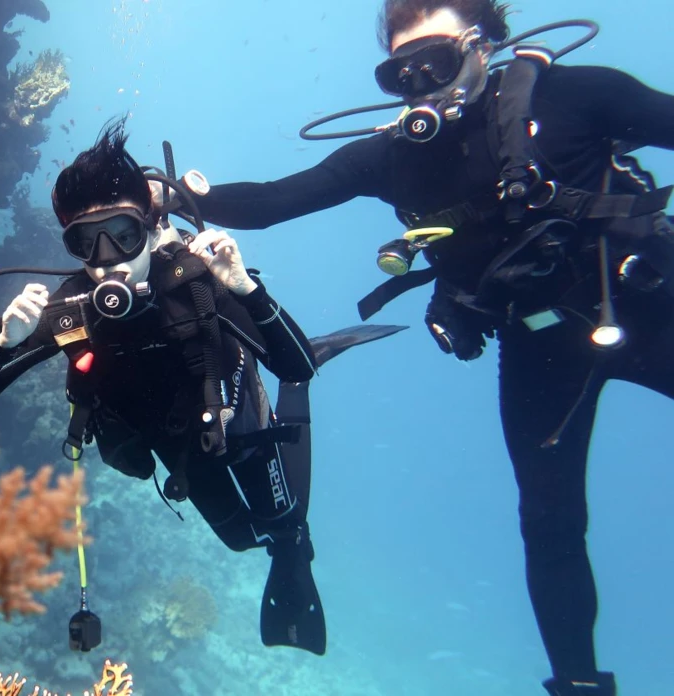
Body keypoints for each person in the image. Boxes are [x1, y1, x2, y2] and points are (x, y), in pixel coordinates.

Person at [181, 1, 674, 693]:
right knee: (550, 522)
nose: (418, 84)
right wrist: (164, 193)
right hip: (541, 350)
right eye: (398, 73)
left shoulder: (578, 96)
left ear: (482, 46)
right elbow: (269, 201)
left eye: (432, 62)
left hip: (649, 302)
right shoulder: (391, 159)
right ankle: (580, 685)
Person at [0, 120, 401, 656]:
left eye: (122, 235)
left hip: (238, 424)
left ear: (150, 225)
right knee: (239, 541)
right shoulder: (72, 310)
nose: (108, 259)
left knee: (285, 531)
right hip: (181, 452)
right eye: (86, 243)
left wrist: (247, 291)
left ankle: (293, 528)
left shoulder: (197, 283)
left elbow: (298, 366)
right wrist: (4, 345)